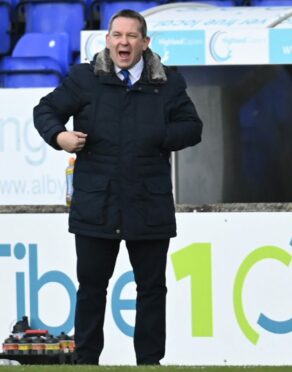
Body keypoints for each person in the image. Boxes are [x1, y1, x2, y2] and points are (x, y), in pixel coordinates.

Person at [33, 9, 203, 365]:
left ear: (145, 42)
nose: (123, 42)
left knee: (152, 290)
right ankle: (86, 361)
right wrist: (60, 136)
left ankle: (149, 363)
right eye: (116, 35)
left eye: (131, 36)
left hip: (148, 203)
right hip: (98, 203)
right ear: (107, 40)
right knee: (92, 290)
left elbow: (192, 127)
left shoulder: (168, 82)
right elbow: (45, 110)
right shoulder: (84, 78)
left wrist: (158, 136)